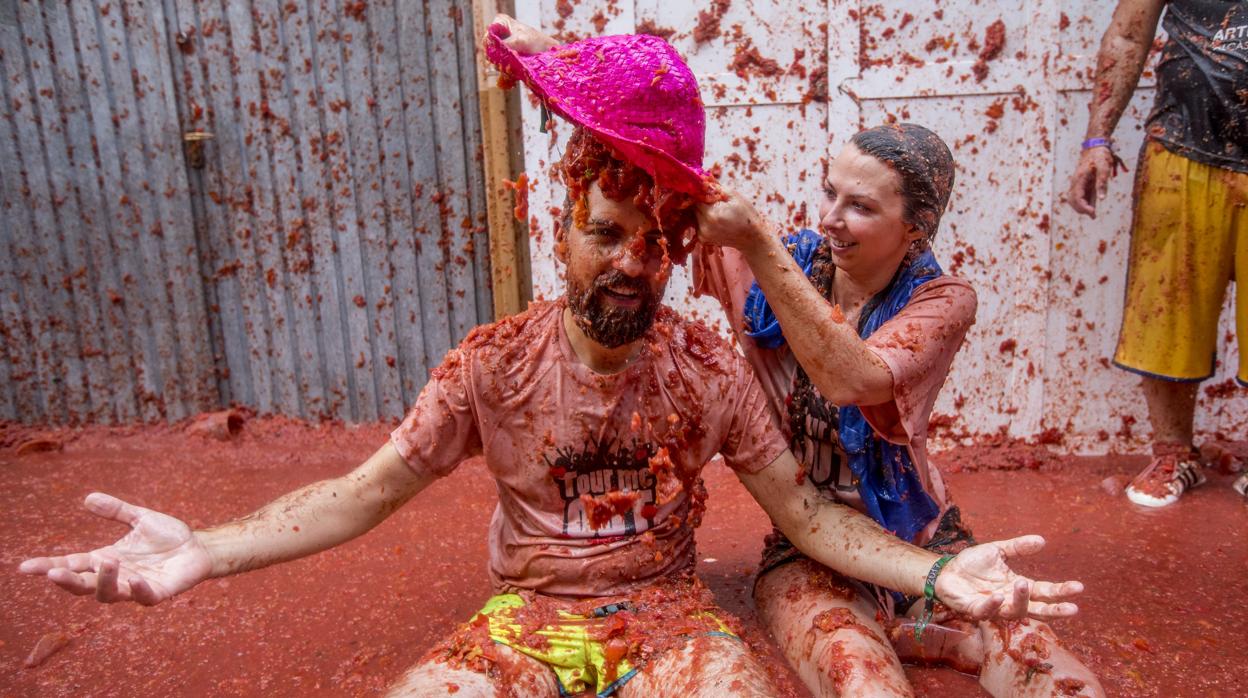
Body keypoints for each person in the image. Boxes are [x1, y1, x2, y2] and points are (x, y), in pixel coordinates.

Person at [19, 28, 1085, 698]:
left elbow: (806, 514)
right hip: (519, 624)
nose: (634, 262)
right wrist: (205, 547)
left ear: (681, 249)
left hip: (674, 628)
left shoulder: (708, 367)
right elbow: (363, 491)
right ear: (558, 233)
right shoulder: (492, 363)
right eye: (605, 233)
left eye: (655, 239)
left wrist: (941, 568)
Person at [694, 124, 1106, 696]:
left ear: (915, 226)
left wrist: (757, 243)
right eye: (829, 191)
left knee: (1043, 663)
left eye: (859, 205)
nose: (831, 218)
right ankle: (907, 632)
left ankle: (925, 627)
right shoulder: (777, 265)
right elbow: (666, 173)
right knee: (857, 672)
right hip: (808, 535)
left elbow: (851, 378)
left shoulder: (941, 300)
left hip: (918, 529)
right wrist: (551, 60)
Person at [1066, 0, 1247, 507]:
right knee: (1165, 313)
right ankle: (1174, 453)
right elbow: (1126, 37)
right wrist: (1097, 139)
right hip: (1182, 146)